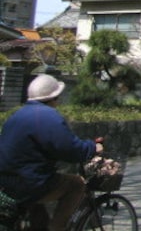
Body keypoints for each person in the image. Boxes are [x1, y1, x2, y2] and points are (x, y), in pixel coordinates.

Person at [0, 74, 102, 231]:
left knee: (37, 203)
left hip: (6, 180)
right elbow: (70, 149)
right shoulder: (49, 116)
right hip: (29, 182)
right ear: (54, 97)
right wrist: (92, 147)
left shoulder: (16, 115)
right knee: (77, 184)